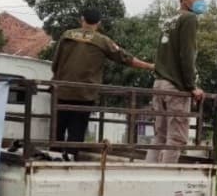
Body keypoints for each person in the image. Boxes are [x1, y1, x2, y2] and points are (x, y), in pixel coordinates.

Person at [51, 8, 155, 146]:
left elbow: (55, 63)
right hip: (85, 94)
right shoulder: (102, 41)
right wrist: (150, 66)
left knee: (57, 129)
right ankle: (70, 158)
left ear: (82, 19)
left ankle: (53, 155)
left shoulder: (66, 35)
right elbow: (125, 58)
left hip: (62, 91)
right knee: (77, 131)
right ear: (98, 23)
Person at [146, 0, 206, 164]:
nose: (203, 2)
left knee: (160, 135)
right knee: (177, 137)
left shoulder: (169, 20)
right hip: (175, 85)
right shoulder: (189, 19)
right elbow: (186, 55)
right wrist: (192, 86)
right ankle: (164, 179)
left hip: (159, 83)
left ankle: (147, 173)